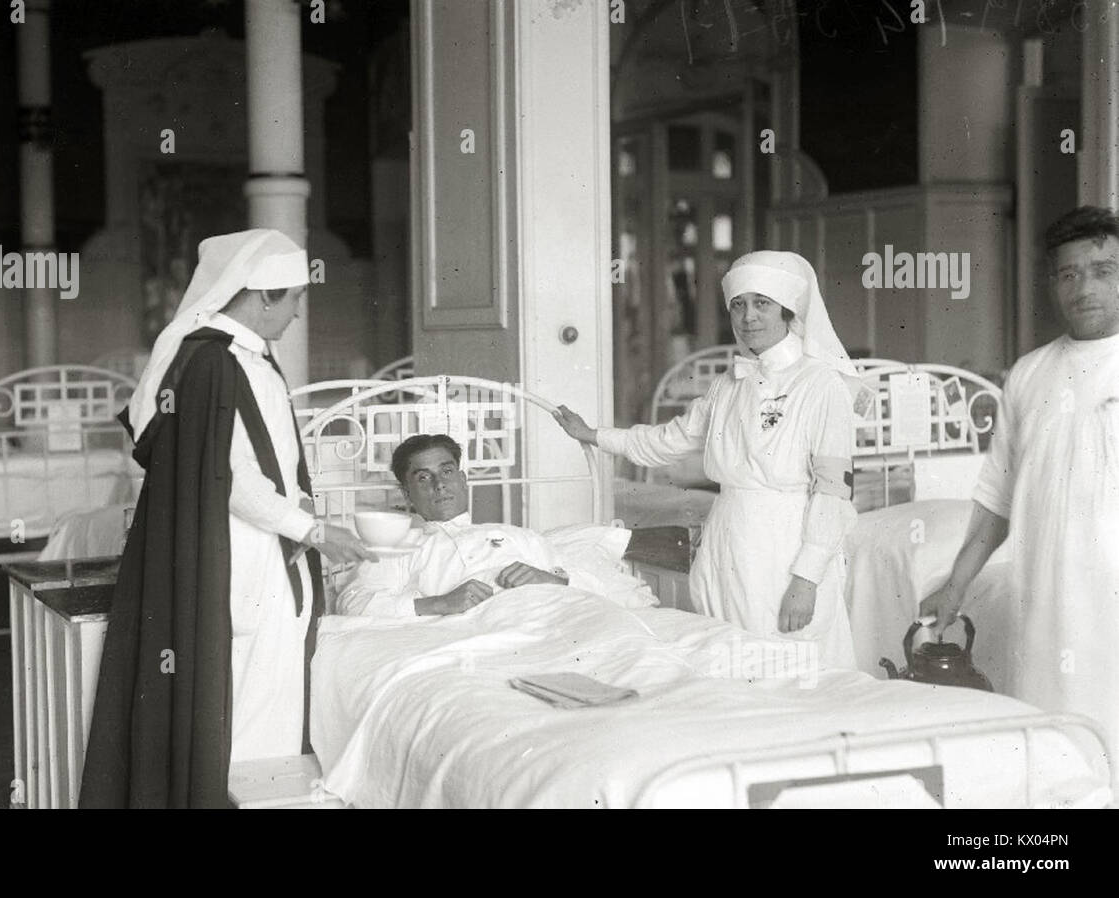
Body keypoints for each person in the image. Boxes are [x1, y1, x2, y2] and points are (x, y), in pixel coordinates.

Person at [80, 229, 373, 809]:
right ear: (262, 295)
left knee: (266, 706)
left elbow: (276, 464)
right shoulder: (209, 359)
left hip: (265, 553)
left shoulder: (244, 357)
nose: (295, 317)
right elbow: (227, 477)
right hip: (234, 557)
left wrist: (303, 510)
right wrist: (309, 530)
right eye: (292, 301)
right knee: (244, 713)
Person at [554, 250, 863, 669]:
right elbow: (668, 440)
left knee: (794, 663)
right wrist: (592, 435)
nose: (748, 316)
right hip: (725, 540)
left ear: (788, 312)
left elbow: (832, 491)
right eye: (738, 305)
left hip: (785, 548)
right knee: (731, 659)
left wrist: (806, 579)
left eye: (761, 303)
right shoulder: (727, 385)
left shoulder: (820, 385)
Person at [922, 206, 1119, 751]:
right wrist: (955, 585)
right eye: (1069, 273)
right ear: (1052, 283)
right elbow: (996, 498)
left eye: (1104, 270)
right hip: (1046, 600)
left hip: (1114, 598)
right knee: (1054, 743)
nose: (1085, 287)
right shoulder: (1029, 373)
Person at [336, 434, 623, 617]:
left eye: (447, 472)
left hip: (553, 623)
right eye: (424, 478)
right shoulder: (397, 547)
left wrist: (552, 580)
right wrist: (439, 604)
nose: (440, 485)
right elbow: (353, 604)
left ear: (463, 479)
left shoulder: (521, 538)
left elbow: (611, 592)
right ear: (407, 493)